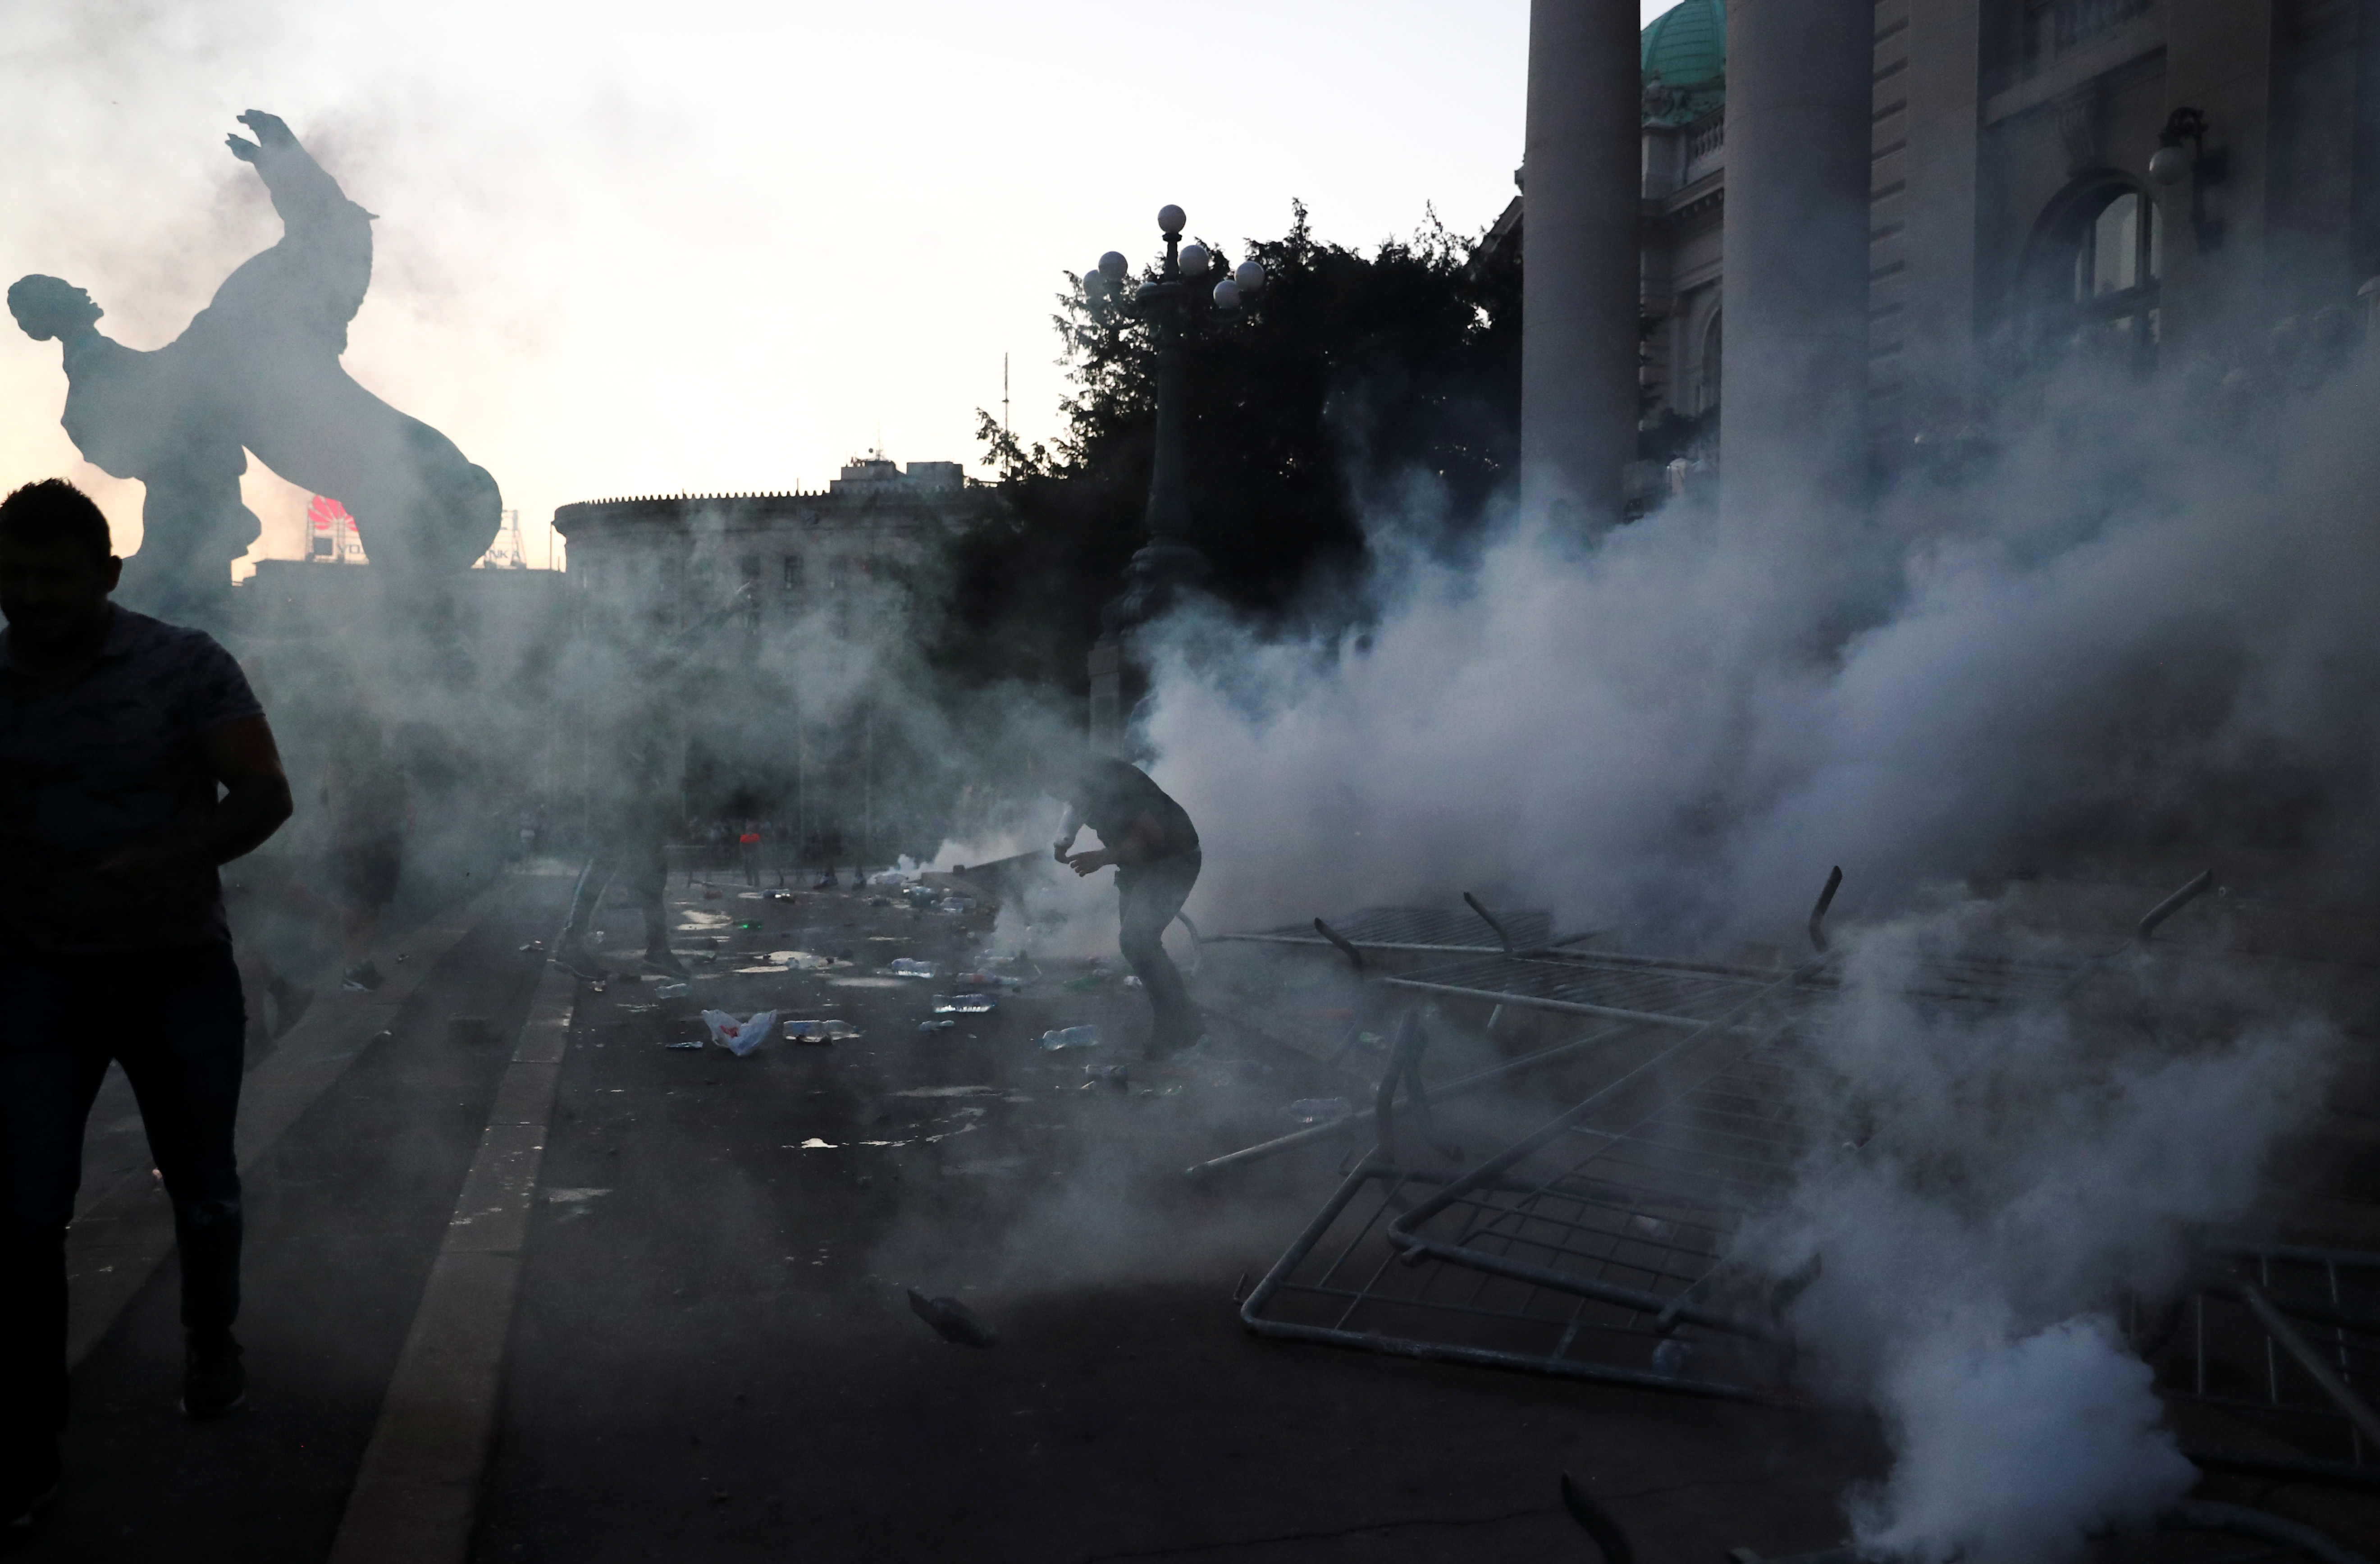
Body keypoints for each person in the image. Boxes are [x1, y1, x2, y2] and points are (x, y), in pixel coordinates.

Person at [0, 480, 293, 1532]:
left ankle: (211, 1336)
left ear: (107, 574)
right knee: (25, 1220)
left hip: (174, 971)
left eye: (55, 577)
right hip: (33, 979)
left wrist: (177, 859)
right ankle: (26, 1443)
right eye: (14, 575)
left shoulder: (184, 663)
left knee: (205, 1187)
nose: (32, 597)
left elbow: (266, 793)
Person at [1055, 757, 1203, 1060]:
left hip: (1172, 860)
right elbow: (1075, 806)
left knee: (1138, 941)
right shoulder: (1082, 778)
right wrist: (1063, 840)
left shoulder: (1113, 784)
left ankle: (1180, 1027)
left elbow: (1152, 835)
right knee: (1138, 948)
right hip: (1136, 868)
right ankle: (1182, 1023)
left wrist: (1102, 857)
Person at [321, 708, 409, 992]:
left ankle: (362, 963)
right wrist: (343, 832)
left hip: (384, 838)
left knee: (375, 903)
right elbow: (336, 798)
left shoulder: (384, 758)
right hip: (359, 838)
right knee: (357, 902)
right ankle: (351, 968)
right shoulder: (341, 760)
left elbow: (399, 793)